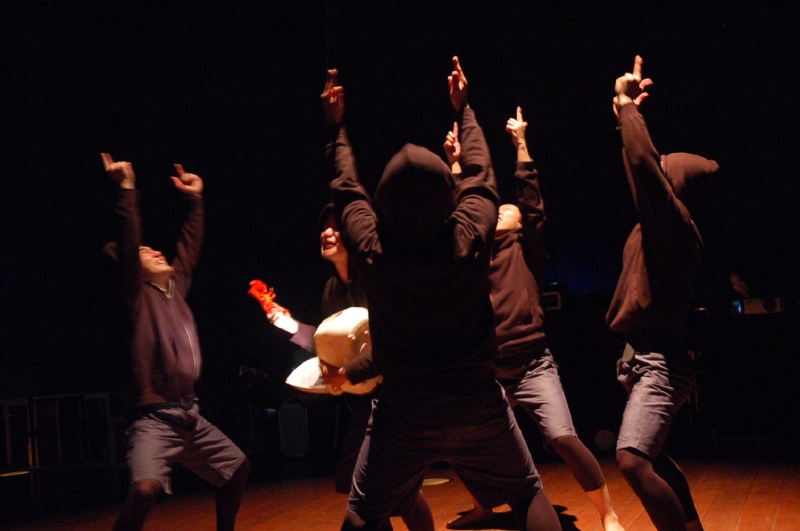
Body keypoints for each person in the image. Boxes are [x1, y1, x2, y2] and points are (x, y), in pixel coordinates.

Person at [322, 58, 562, 531]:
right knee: (526, 493)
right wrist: (464, 108)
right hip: (476, 401)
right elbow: (481, 173)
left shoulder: (370, 248)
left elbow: (346, 188)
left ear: (382, 204)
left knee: (364, 512)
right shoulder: (470, 235)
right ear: (448, 199)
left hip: (404, 411)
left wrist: (336, 128)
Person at [443, 108, 624, 531]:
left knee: (563, 437)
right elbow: (463, 212)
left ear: (522, 224)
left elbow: (531, 201)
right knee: (461, 441)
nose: (502, 208)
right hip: (486, 369)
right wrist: (455, 165)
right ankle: (484, 508)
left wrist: (521, 143)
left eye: (509, 209)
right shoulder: (474, 254)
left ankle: (608, 513)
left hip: (532, 364)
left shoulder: (529, 250)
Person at [257, 205, 434, 531]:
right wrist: (290, 324)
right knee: (377, 481)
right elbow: (333, 345)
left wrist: (347, 373)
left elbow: (393, 341)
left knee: (382, 482)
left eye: (336, 227)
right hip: (375, 396)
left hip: (404, 392)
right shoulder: (332, 289)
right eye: (324, 227)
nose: (326, 233)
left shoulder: (378, 277)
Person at [102, 153, 250, 531]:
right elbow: (128, 243)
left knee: (236, 470)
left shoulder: (175, 290)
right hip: (153, 419)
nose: (155, 250)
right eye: (145, 252)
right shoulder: (136, 298)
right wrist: (127, 189)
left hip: (189, 415)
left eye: (155, 248)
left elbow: (189, 247)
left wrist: (195, 200)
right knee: (146, 489)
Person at [608, 56, 719, 531]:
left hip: (661, 361)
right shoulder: (664, 228)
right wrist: (625, 115)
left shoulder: (675, 227)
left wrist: (629, 109)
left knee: (632, 460)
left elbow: (642, 166)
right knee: (651, 458)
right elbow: (641, 170)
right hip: (644, 355)